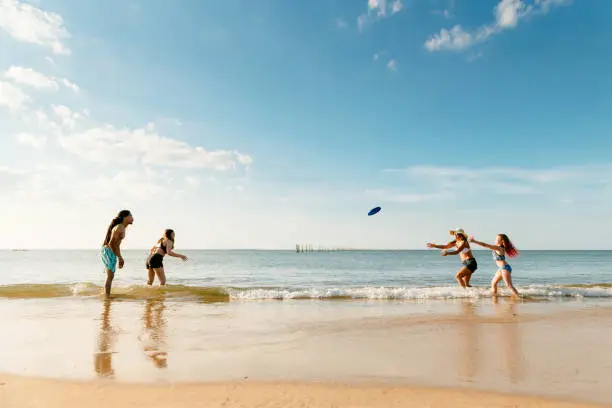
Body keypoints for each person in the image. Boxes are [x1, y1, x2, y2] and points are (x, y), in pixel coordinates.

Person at [101, 210, 134, 297]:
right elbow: (111, 243)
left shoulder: (122, 227)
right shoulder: (120, 227)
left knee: (110, 276)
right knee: (110, 276)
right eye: (131, 216)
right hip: (109, 250)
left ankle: (107, 295)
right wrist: (119, 257)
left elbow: (116, 245)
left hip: (109, 250)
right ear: (125, 217)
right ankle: (107, 297)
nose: (133, 218)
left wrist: (120, 257)